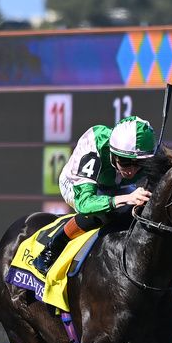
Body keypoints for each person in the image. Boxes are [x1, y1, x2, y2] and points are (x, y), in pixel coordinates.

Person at [31, 115, 155, 275]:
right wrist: (126, 199)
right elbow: (85, 202)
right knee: (104, 212)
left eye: (139, 163)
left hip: (114, 186)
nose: (131, 170)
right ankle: (52, 247)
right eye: (125, 162)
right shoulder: (94, 146)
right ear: (112, 153)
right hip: (78, 187)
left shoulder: (148, 151)